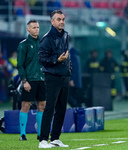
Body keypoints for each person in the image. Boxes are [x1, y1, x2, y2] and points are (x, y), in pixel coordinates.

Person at [38, 10, 71, 148]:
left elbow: (66, 56)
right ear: (52, 21)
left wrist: (69, 69)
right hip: (52, 77)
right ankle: (43, 140)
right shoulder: (47, 38)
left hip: (64, 76)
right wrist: (56, 60)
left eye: (63, 19)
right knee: (49, 108)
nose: (62, 21)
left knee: (61, 109)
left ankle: (55, 138)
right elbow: (41, 59)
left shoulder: (66, 35)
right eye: (58, 19)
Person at [17, 20, 46, 141]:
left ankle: (40, 134)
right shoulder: (23, 45)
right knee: (26, 105)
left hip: (42, 79)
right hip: (30, 80)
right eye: (34, 27)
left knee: (42, 105)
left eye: (38, 27)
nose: (37, 29)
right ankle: (22, 134)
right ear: (28, 29)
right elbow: (20, 65)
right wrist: (24, 81)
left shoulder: (43, 43)